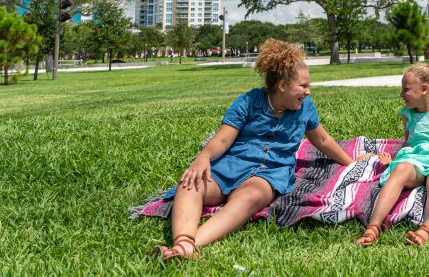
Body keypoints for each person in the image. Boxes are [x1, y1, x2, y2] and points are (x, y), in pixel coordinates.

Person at [155, 39, 372, 261]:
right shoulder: (249, 101)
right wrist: (203, 158)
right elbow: (221, 140)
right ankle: (182, 240)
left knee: (250, 197)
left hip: (268, 173)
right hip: (231, 165)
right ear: (282, 86)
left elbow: (323, 140)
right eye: (303, 85)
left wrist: (350, 162)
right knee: (191, 183)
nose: (308, 91)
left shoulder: (305, 107)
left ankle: (187, 247)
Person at [357, 59, 429, 246]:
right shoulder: (408, 114)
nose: (401, 94)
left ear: (424, 89)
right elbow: (408, 141)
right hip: (416, 158)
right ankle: (373, 225)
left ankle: (427, 228)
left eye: (406, 89)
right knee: (401, 169)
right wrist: (394, 161)